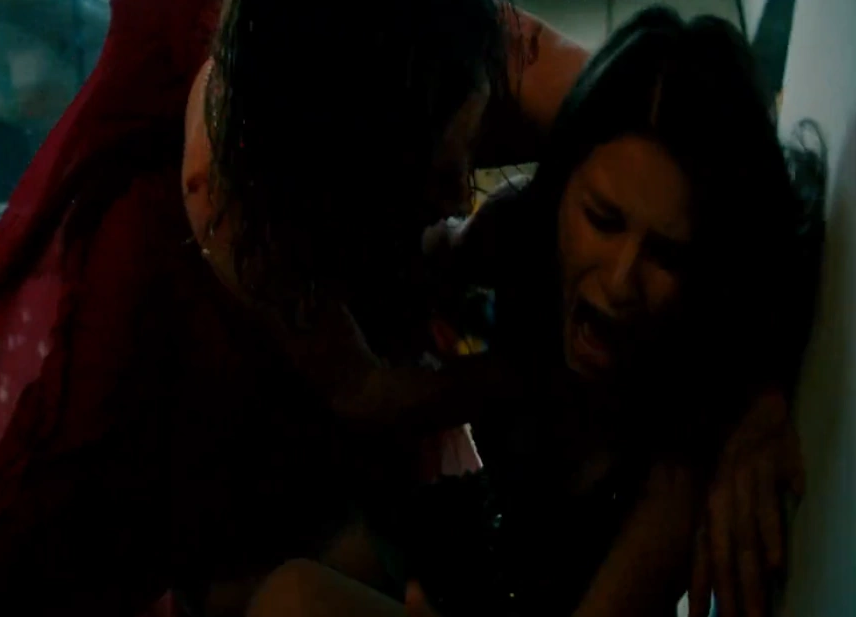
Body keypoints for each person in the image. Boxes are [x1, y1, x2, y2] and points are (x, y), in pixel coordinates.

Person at [242, 7, 825, 617]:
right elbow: (429, 263)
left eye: (667, 254)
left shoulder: (679, 463)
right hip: (474, 529)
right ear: (561, 186)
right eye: (602, 220)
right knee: (259, 577)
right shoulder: (518, 235)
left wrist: (765, 396)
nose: (621, 280)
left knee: (292, 598)